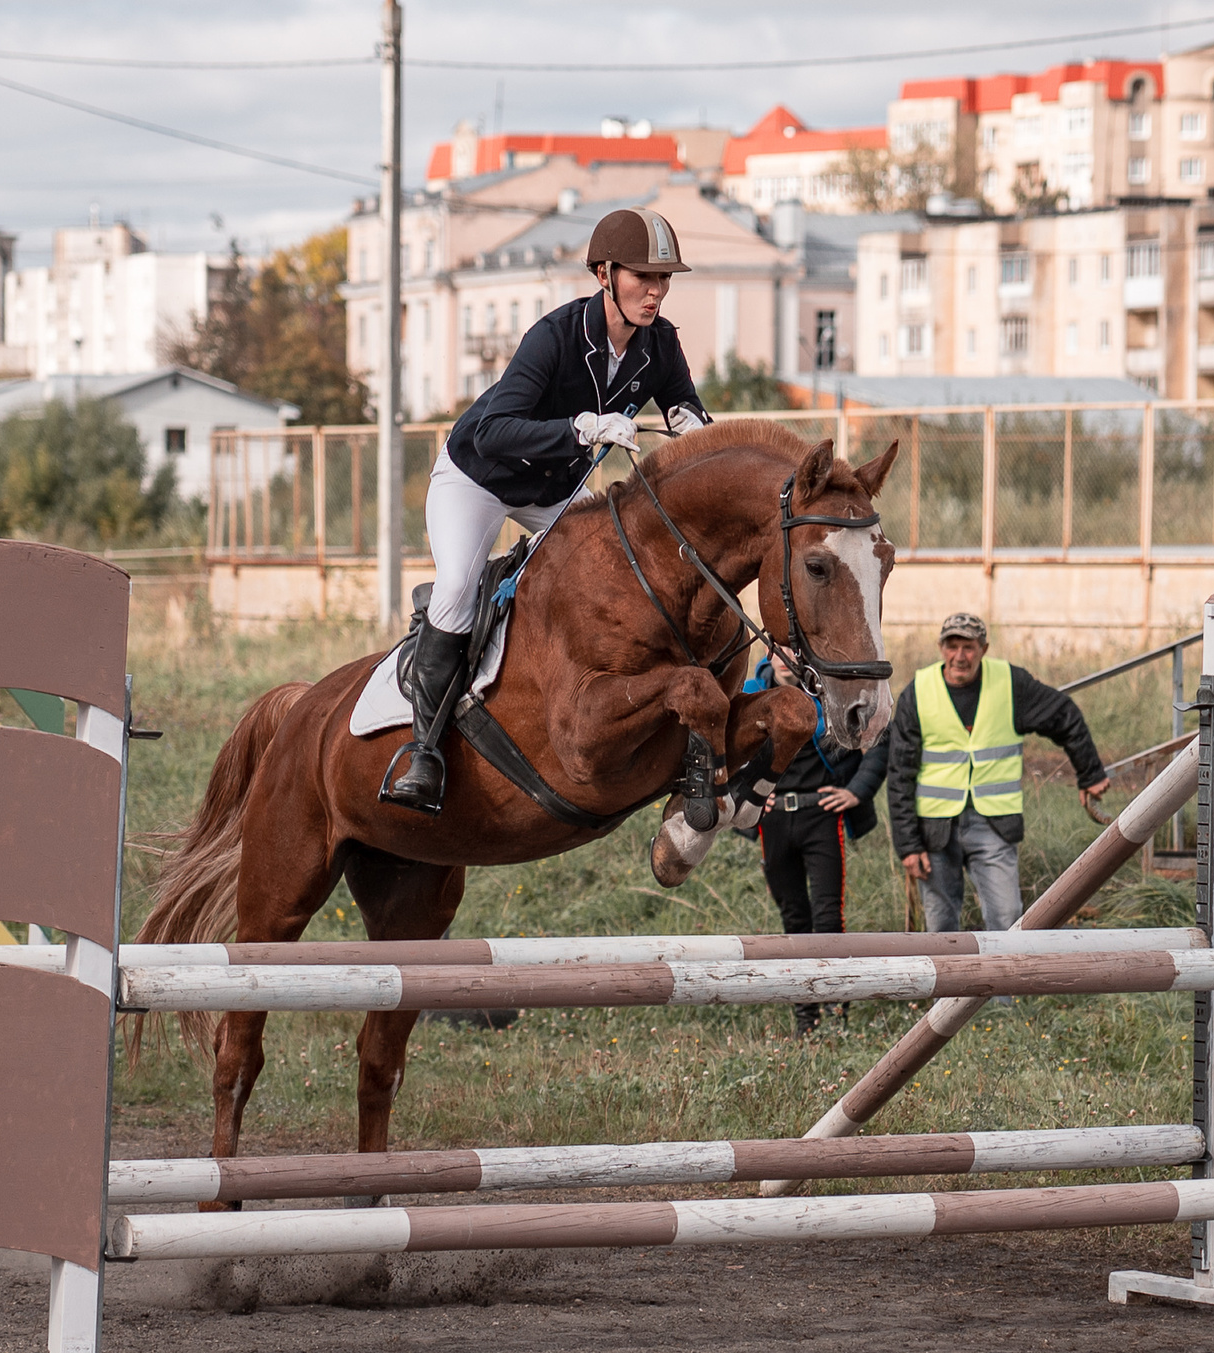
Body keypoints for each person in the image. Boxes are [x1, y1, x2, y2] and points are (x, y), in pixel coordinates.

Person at [381, 206, 712, 813]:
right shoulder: (554, 336)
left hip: (553, 490)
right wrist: (581, 428)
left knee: (619, 571)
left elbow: (684, 405)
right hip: (478, 478)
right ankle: (423, 751)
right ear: (604, 274)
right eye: (644, 277)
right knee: (456, 589)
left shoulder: (660, 344)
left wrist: (694, 427)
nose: (656, 291)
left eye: (664, 279)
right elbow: (494, 431)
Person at [887, 612, 1110, 938]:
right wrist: (908, 845)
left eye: (968, 647)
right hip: (934, 830)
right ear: (941, 647)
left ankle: (1003, 976)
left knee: (1007, 919)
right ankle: (950, 977)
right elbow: (899, 774)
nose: (960, 656)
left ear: (984, 648)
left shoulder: (1010, 683)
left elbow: (1064, 715)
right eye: (952, 646)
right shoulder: (918, 691)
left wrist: (1089, 773)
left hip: (993, 824)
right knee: (940, 927)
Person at [742, 653, 889, 1036]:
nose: (786, 658)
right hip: (774, 821)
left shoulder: (830, 694)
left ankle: (836, 1012)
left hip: (822, 816)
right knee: (794, 920)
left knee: (827, 919)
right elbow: (725, 751)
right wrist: (747, 796)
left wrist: (856, 790)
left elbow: (880, 737)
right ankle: (806, 1019)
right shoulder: (751, 694)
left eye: (793, 650)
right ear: (768, 651)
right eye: (778, 650)